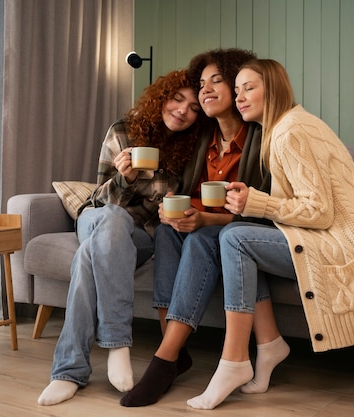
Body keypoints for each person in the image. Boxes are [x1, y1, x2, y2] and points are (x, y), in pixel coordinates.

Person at [187, 59, 354, 409]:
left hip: (344, 246)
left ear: (275, 87)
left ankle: (235, 360)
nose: (240, 97)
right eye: (237, 90)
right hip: (332, 238)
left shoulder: (290, 131)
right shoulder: (285, 127)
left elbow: (319, 210)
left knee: (235, 238)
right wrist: (253, 203)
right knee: (242, 237)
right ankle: (268, 345)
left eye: (249, 87)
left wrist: (256, 203)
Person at [37, 69, 205, 406]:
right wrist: (124, 180)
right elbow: (101, 200)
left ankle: (69, 371)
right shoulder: (123, 131)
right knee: (112, 219)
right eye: (177, 99)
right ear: (162, 97)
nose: (184, 110)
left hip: (139, 236)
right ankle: (116, 342)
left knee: (88, 257)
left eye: (194, 108)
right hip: (97, 218)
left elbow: (174, 206)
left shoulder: (190, 150)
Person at [120, 48, 271, 407]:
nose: (205, 89)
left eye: (216, 81)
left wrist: (203, 220)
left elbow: (259, 215)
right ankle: (172, 346)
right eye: (201, 83)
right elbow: (189, 200)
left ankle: (165, 359)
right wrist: (180, 214)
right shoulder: (201, 142)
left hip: (241, 233)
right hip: (204, 226)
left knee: (202, 237)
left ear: (237, 86)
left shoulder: (261, 139)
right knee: (170, 231)